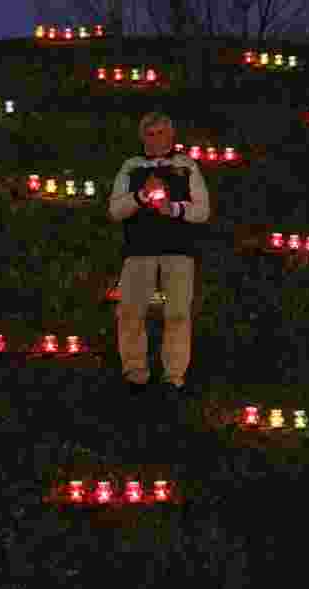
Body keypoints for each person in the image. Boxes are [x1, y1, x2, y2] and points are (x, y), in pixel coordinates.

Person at [107, 111, 211, 400]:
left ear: (172, 136)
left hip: (178, 253)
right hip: (138, 251)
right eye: (150, 134)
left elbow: (203, 210)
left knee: (177, 314)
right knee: (130, 313)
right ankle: (135, 374)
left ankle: (173, 378)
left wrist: (174, 209)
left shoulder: (186, 165)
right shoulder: (131, 166)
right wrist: (141, 196)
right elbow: (115, 210)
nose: (156, 140)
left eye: (161, 134)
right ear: (142, 137)